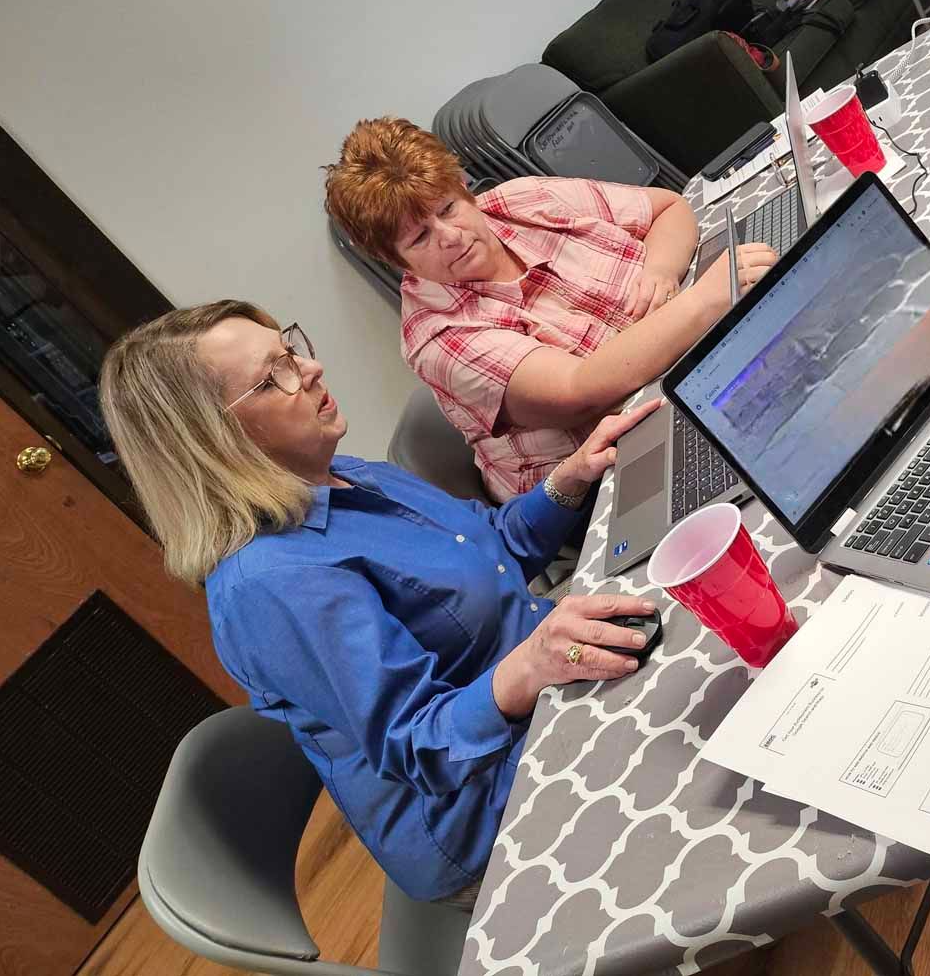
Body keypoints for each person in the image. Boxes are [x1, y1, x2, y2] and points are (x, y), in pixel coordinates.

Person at [98, 300, 662, 904]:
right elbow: (420, 745)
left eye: (289, 348)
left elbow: (490, 551)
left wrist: (568, 478)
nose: (310, 369)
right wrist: (529, 666)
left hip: (541, 695)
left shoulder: (340, 476)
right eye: (274, 376)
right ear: (214, 440)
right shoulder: (270, 583)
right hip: (482, 811)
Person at [324, 117, 777, 502]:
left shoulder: (521, 200)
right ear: (394, 259)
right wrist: (701, 301)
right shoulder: (438, 337)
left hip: (684, 372)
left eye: (448, 208)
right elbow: (581, 391)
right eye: (419, 237)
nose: (449, 235)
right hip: (608, 478)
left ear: (462, 186)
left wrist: (660, 269)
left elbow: (668, 208)